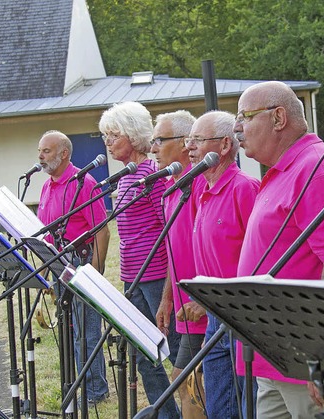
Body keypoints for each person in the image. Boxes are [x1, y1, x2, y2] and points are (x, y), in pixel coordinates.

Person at [233, 81, 324, 418]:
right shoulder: (285, 170)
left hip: (310, 363)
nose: (237, 126)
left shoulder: (317, 169)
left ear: (278, 117)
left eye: (245, 116)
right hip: (278, 358)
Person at [98, 101, 179, 418]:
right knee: (145, 355)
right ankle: (167, 413)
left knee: (174, 351)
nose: (107, 142)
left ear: (132, 134)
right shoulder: (127, 176)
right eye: (105, 136)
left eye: (113, 135)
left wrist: (168, 292)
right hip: (133, 277)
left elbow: (168, 229)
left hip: (157, 278)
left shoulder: (153, 174)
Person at [186, 110, 260, 418]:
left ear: (226, 145)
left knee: (248, 406)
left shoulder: (245, 188)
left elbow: (258, 258)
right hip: (215, 318)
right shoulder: (202, 188)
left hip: (243, 319)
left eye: (198, 140)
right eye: (189, 140)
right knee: (218, 406)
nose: (189, 147)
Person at [36, 130, 110, 405]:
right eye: (40, 151)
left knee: (85, 330)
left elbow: (102, 232)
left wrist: (94, 272)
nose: (40, 157)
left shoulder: (84, 183)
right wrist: (44, 272)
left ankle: (95, 392)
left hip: (80, 262)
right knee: (68, 328)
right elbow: (45, 232)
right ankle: (75, 383)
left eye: (46, 151)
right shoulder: (46, 186)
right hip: (56, 262)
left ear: (63, 153)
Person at [152, 110, 208, 418]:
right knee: (186, 383)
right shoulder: (172, 190)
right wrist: (167, 297)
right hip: (184, 305)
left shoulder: (200, 185)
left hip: (204, 307)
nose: (153, 148)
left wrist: (202, 299)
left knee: (189, 385)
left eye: (159, 140)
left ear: (186, 143)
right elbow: (176, 249)